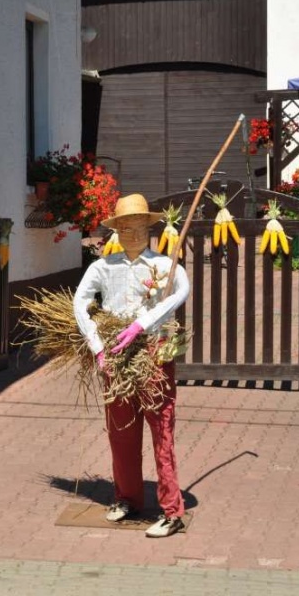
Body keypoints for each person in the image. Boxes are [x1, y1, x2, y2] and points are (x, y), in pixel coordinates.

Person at [73, 193, 190, 538]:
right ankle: (127, 497)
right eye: (125, 226)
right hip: (115, 358)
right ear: (116, 230)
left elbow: (180, 291)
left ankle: (171, 510)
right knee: (120, 431)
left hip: (153, 353)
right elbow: (80, 302)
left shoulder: (165, 267)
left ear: (150, 228)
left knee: (161, 429)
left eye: (139, 226)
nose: (133, 232)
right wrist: (97, 346)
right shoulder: (102, 267)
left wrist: (143, 323)